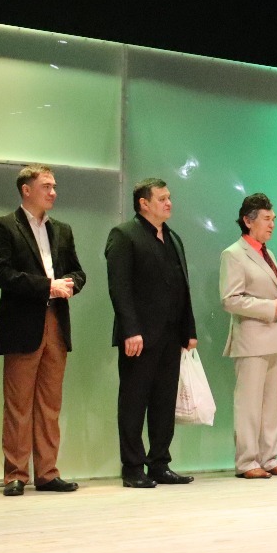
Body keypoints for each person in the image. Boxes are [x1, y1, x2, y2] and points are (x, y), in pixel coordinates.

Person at [0, 164, 86, 497]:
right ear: (26, 190)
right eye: (46, 186)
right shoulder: (3, 225)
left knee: (50, 403)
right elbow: (0, 273)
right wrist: (47, 286)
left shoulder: (62, 229)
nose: (53, 192)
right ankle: (15, 474)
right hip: (22, 324)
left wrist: (70, 284)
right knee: (18, 404)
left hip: (56, 321)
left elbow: (78, 271)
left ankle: (47, 473)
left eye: (54, 186)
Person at [105, 178, 198, 488]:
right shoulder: (124, 234)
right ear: (143, 203)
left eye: (169, 197)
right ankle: (132, 467)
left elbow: (183, 287)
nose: (169, 203)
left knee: (163, 403)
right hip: (139, 337)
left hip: (171, 335)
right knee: (134, 402)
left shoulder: (174, 238)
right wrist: (130, 330)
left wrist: (189, 329)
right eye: (161, 198)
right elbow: (119, 287)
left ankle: (159, 463)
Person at [219, 192, 277, 480]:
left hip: (274, 336)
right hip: (252, 339)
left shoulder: (268, 253)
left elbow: (270, 291)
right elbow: (231, 299)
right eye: (266, 219)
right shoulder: (233, 254)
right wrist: (272, 308)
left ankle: (269, 458)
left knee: (270, 404)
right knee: (249, 404)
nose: (272, 224)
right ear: (248, 220)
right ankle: (247, 461)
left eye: (273, 219)